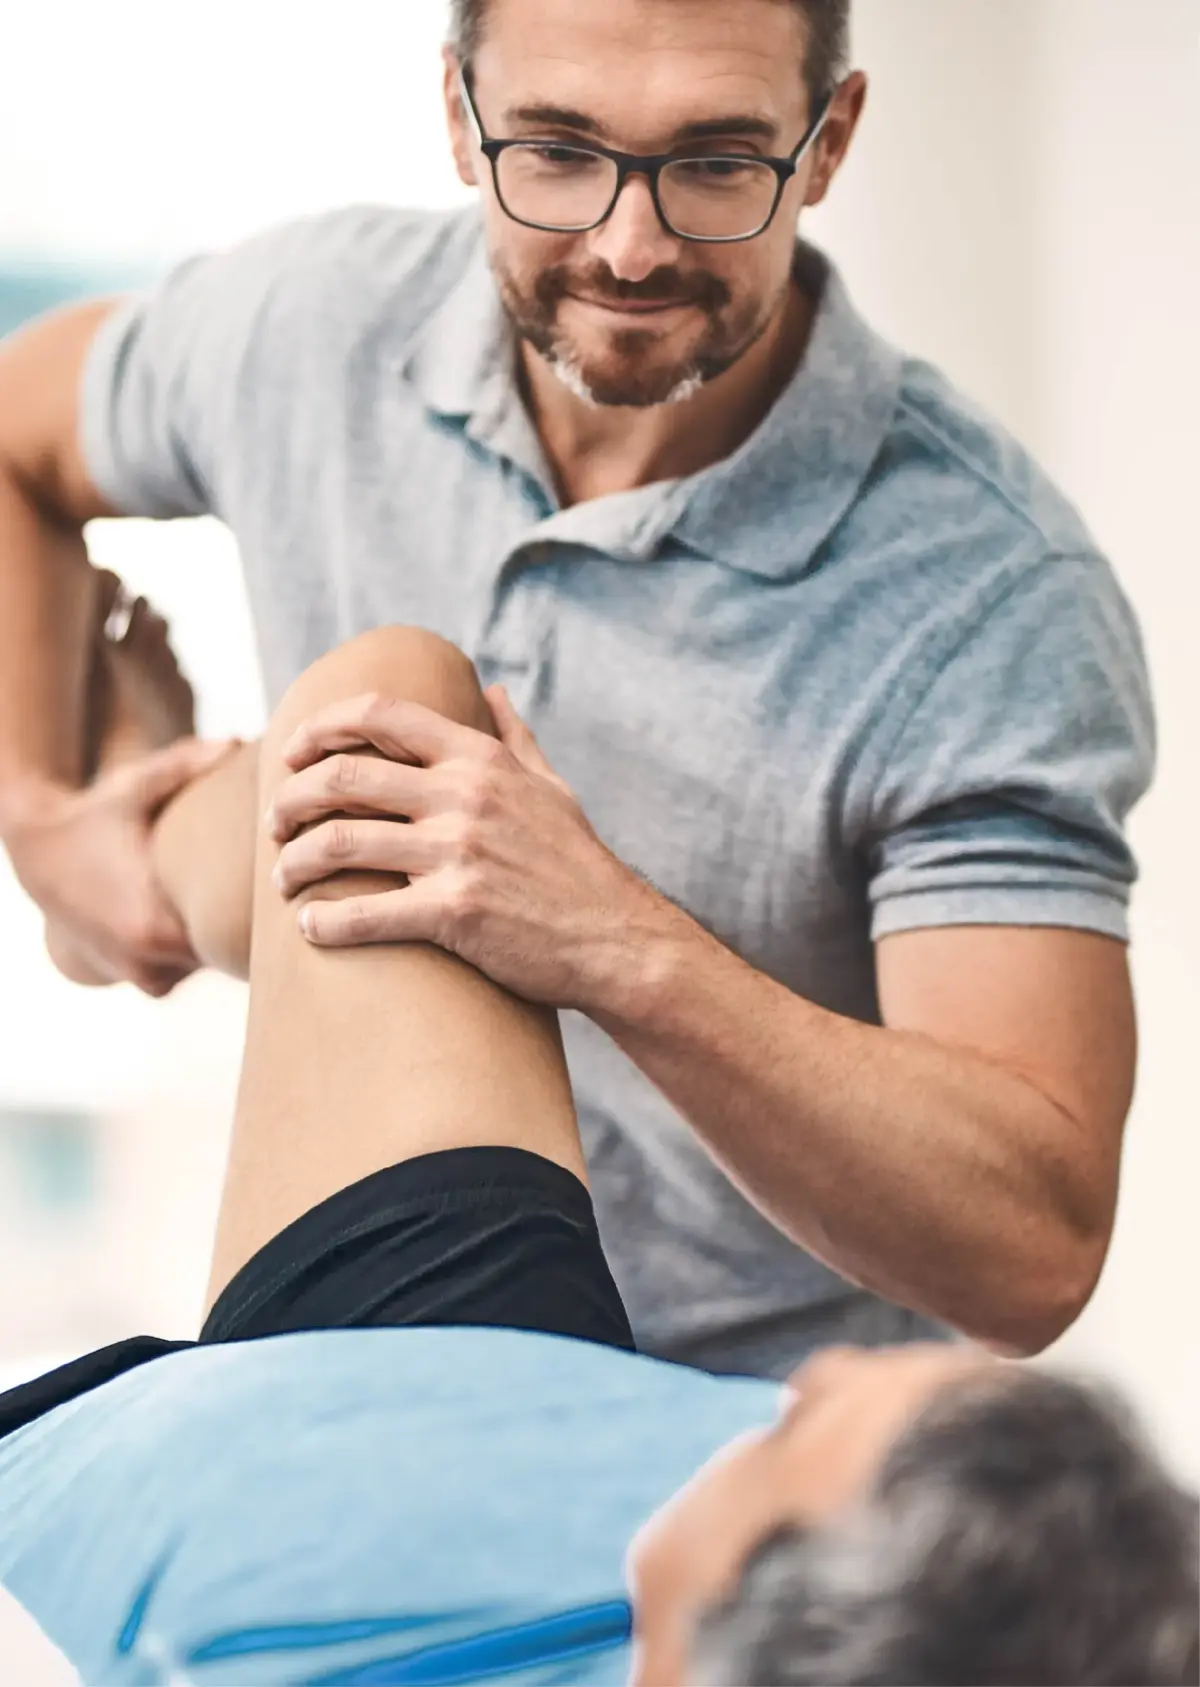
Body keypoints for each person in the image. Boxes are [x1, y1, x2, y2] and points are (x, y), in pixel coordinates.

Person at [0, 0, 1156, 1380]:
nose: (629, 243)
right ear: (458, 117)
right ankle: (164, 868)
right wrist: (39, 817)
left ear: (827, 141)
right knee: (386, 710)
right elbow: (19, 434)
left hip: (733, 1453)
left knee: (384, 705)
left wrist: (610, 939)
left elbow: (1033, 1251)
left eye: (717, 163)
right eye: (555, 151)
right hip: (365, 1333)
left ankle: (193, 846)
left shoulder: (985, 593)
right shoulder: (311, 325)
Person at [0, 619, 1194, 1687]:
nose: (805, 1379)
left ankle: (127, 869)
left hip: (260, 1496)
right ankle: (125, 877)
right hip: (477, 1418)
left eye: (780, 1436)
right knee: (390, 733)